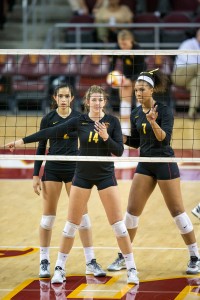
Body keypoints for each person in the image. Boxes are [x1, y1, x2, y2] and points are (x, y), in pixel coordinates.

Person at [5, 85, 139, 285]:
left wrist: (106, 137)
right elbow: (50, 131)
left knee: (119, 226)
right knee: (70, 225)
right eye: (93, 100)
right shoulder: (80, 120)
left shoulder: (112, 122)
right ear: (87, 102)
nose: (96, 103)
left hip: (105, 175)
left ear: (105, 102)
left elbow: (119, 150)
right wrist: (21, 142)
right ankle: (59, 267)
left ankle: (131, 269)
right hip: (82, 176)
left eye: (100, 100)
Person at [107, 69, 200, 275]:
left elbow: (163, 139)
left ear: (151, 90)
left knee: (177, 211)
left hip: (164, 162)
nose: (138, 93)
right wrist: (118, 137)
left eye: (142, 90)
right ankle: (124, 256)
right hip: (145, 164)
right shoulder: (135, 113)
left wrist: (152, 121)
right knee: (131, 212)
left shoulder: (164, 110)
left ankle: (195, 256)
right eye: (136, 90)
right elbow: (136, 142)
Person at [31, 84, 106, 278]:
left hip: (75, 170)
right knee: (48, 219)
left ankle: (90, 261)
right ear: (55, 98)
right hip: (53, 169)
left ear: (72, 98)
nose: (63, 99)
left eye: (67, 96)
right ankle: (44, 261)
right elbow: (41, 147)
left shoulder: (79, 119)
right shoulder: (48, 119)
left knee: (83, 219)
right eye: (60, 96)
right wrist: (35, 174)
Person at [109, 29, 146, 135]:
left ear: (131, 41)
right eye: (121, 44)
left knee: (140, 97)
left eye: (125, 44)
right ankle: (125, 129)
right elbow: (111, 65)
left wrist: (130, 80)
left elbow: (141, 69)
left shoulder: (138, 49)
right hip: (127, 75)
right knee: (125, 99)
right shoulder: (117, 48)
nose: (122, 47)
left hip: (140, 75)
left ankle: (140, 127)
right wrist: (111, 75)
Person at [171, 27, 200, 119]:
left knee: (197, 83)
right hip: (179, 74)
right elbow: (194, 63)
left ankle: (192, 112)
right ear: (197, 35)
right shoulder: (188, 44)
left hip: (192, 77)